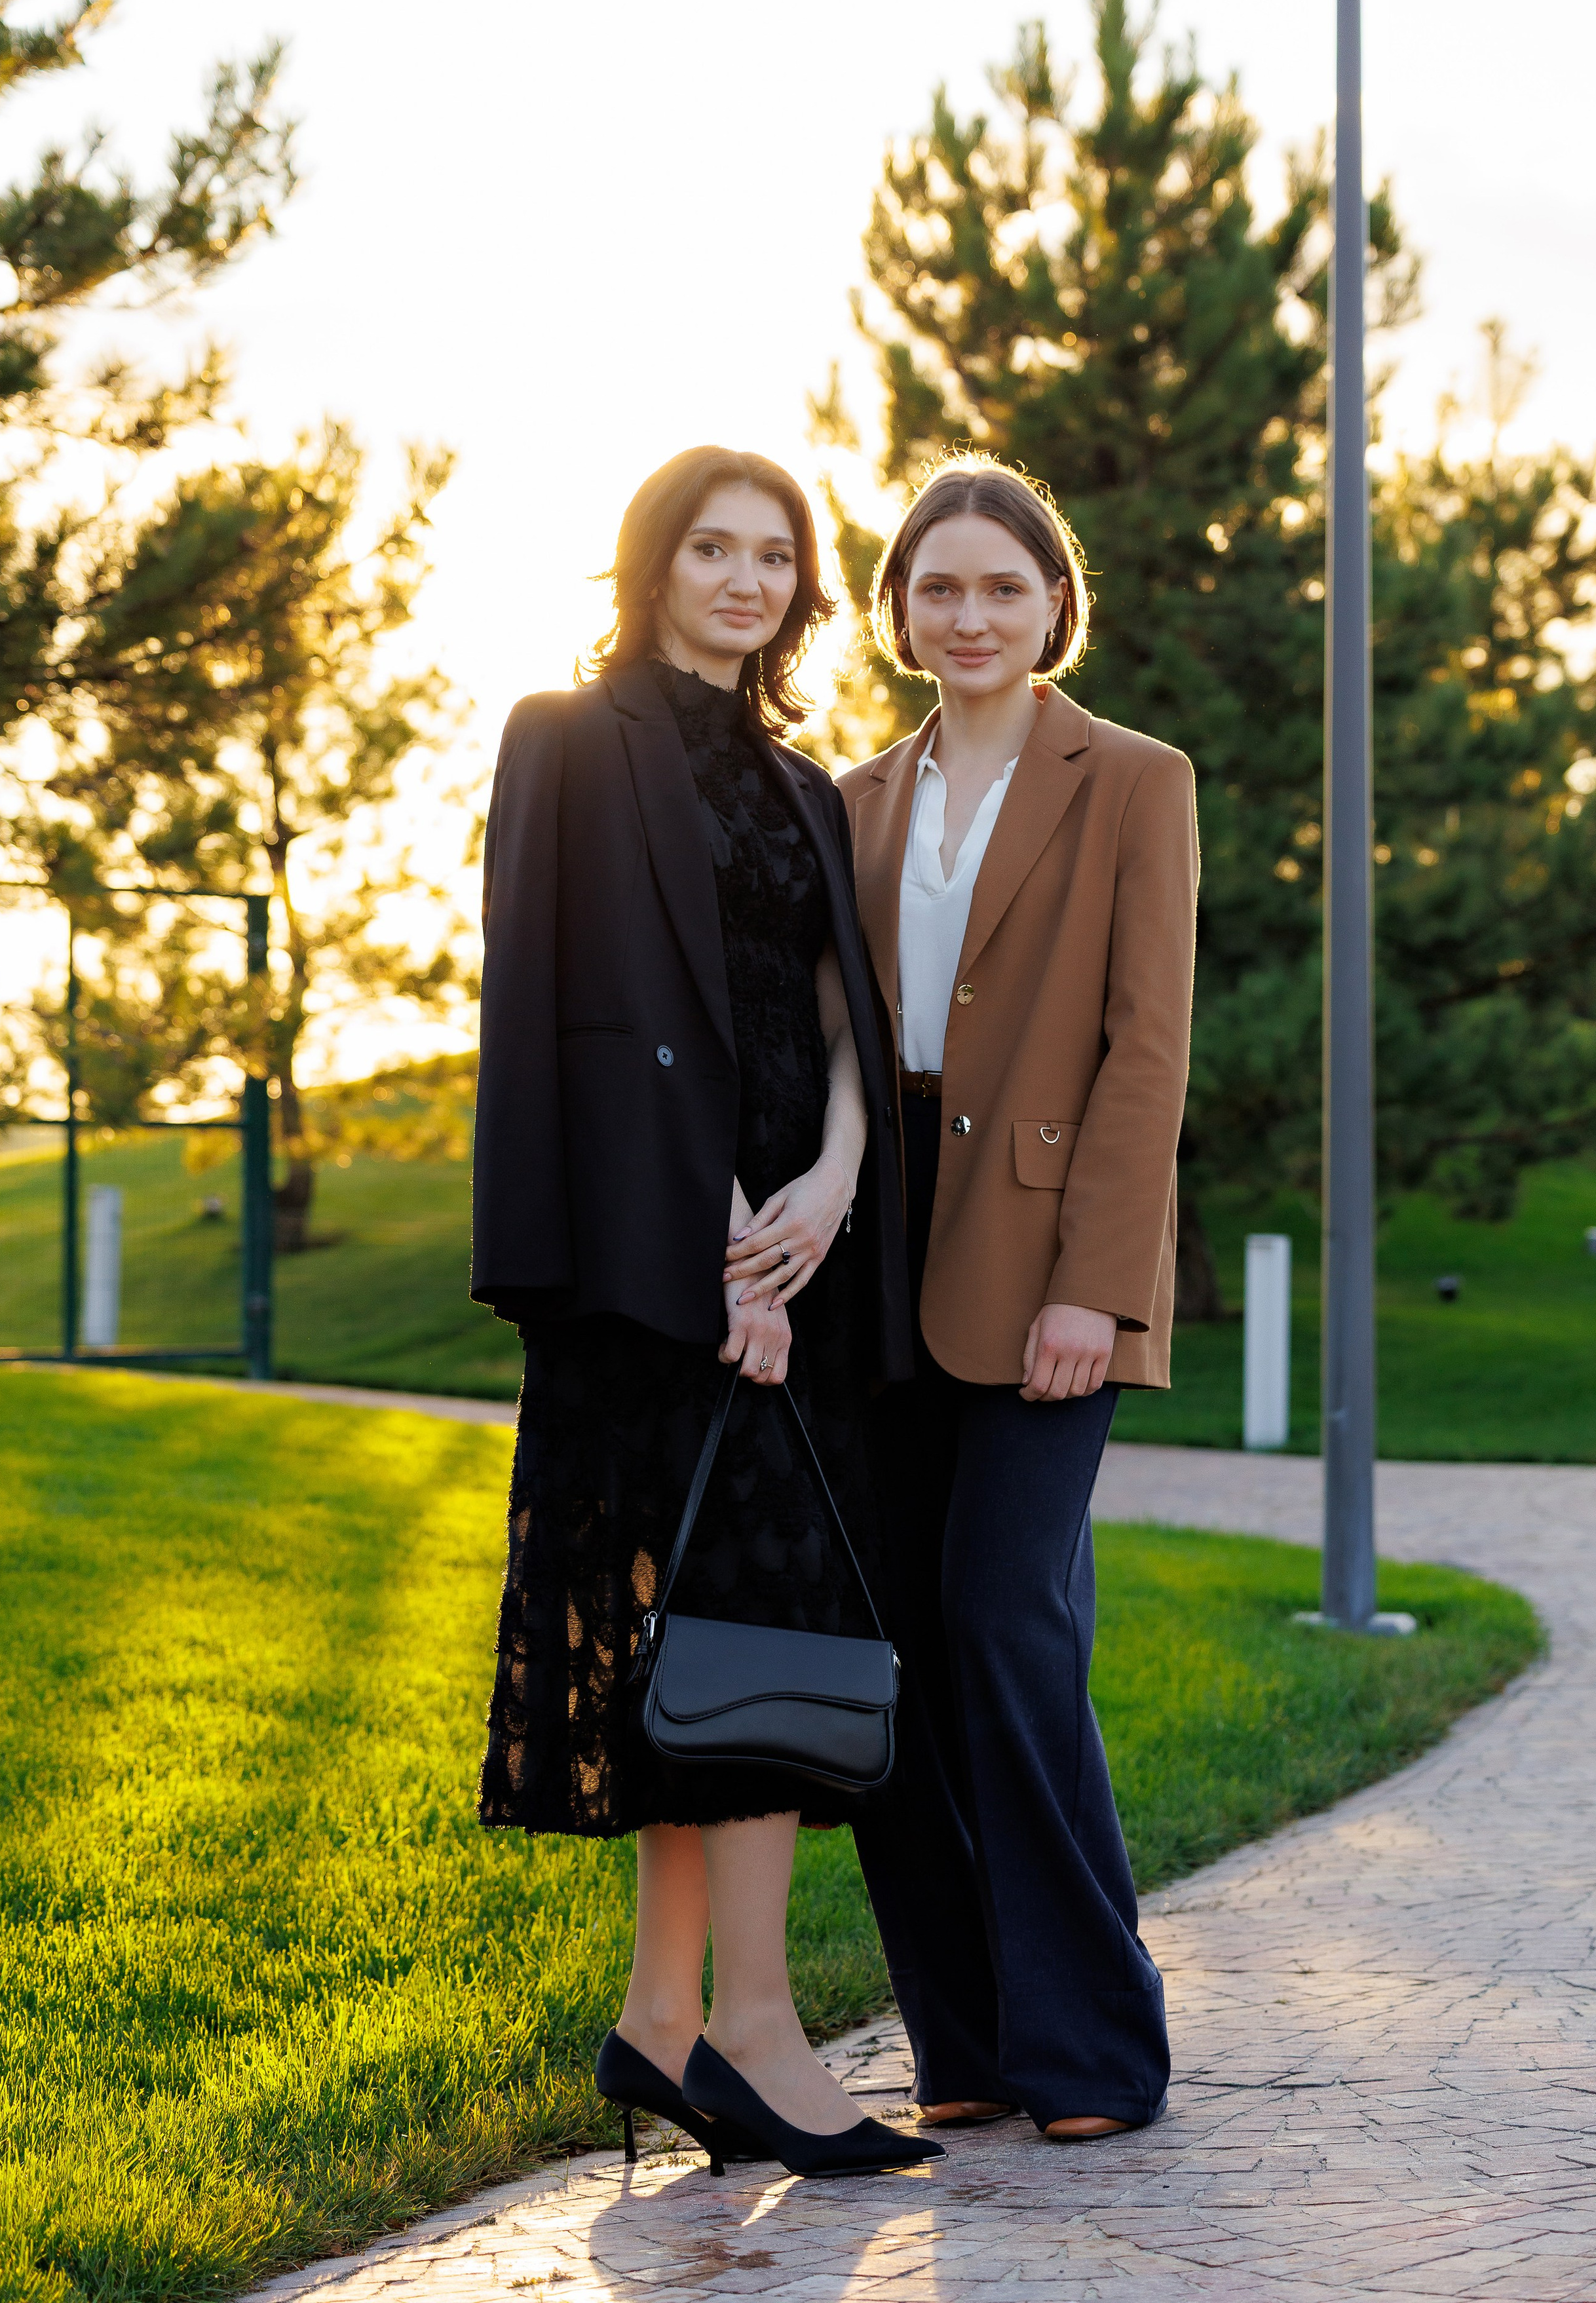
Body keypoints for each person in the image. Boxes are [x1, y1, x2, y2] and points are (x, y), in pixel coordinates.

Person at [470, 445, 938, 2180]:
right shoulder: (567, 743)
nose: (747, 578)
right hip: (639, 1270)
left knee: (731, 1645)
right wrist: (705, 1242)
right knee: (730, 1620)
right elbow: (556, 1010)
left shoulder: (805, 786)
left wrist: (827, 1178)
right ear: (652, 561)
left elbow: (836, 1017)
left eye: (776, 556)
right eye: (714, 548)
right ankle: (751, 2030)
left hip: (790, 1262)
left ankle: (662, 2025)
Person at [841, 454, 1198, 2142]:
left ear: (1057, 603)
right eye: (937, 588)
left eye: (1001, 586)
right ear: (897, 611)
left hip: (1046, 1250)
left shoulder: (1133, 779)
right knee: (896, 1652)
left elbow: (1146, 1056)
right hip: (877, 1241)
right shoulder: (853, 796)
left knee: (1006, 1621)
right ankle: (969, 2047)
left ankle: (1097, 2046)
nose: (968, 616)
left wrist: (1093, 1291)